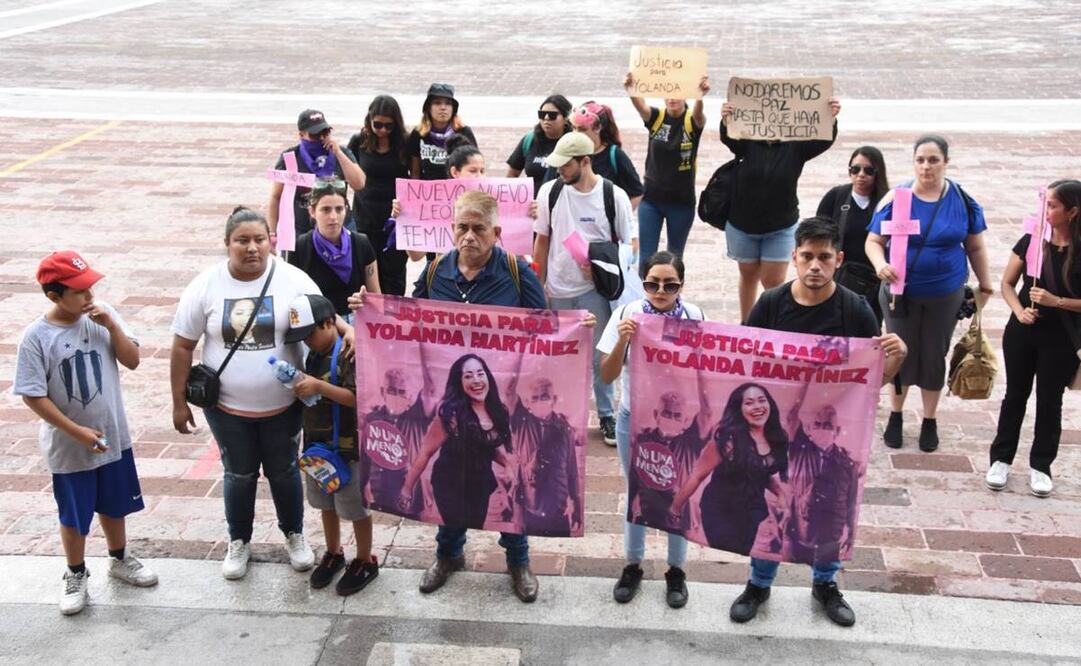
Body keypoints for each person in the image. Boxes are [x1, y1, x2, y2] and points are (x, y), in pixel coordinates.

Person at [349, 191, 552, 602]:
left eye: (479, 229)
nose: (469, 236)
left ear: (496, 232)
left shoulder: (517, 273)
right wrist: (371, 309)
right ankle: (448, 555)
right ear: (451, 229)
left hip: (500, 405)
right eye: (462, 227)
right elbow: (408, 317)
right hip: (452, 407)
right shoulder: (436, 270)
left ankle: (518, 561)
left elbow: (546, 328)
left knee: (507, 485)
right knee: (451, 478)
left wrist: (578, 328)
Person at [719, 216, 906, 627]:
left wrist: (896, 359)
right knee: (772, 510)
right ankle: (758, 583)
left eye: (824, 257)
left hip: (830, 440)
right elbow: (745, 367)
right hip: (778, 438)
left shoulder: (855, 310)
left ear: (839, 259)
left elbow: (870, 383)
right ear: (794, 257)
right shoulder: (771, 304)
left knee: (830, 511)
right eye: (807, 257)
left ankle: (826, 584)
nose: (815, 266)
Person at [170, 207, 354, 581]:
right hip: (226, 408)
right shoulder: (205, 285)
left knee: (284, 471)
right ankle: (239, 540)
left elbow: (325, 315)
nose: (252, 248)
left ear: (271, 241)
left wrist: (348, 330)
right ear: (227, 243)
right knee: (239, 474)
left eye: (259, 239)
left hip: (284, 406)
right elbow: (182, 346)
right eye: (242, 240)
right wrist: (178, 402)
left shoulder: (292, 279)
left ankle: (294, 534)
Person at [14, 251, 158, 616]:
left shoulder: (102, 316)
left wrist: (112, 326)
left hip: (112, 436)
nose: (90, 296)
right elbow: (33, 395)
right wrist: (76, 431)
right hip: (69, 448)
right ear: (54, 296)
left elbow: (132, 360)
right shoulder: (36, 337)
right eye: (79, 291)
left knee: (115, 504)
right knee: (74, 514)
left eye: (90, 287)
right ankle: (75, 572)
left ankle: (120, 557)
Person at [866, 135, 994, 452]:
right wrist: (881, 264)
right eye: (920, 160)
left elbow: (975, 246)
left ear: (946, 162)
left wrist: (985, 282)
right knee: (899, 351)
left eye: (933, 160)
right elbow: (873, 241)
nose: (926, 166)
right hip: (900, 293)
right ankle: (896, 414)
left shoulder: (961, 199)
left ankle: (929, 419)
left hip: (945, 293)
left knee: (935, 353)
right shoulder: (897, 198)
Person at [597, 251, 709, 608]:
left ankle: (676, 570)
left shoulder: (695, 317)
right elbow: (606, 375)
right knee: (637, 491)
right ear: (642, 283)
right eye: (652, 284)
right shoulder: (627, 314)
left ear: (681, 285)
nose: (660, 291)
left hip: (681, 427)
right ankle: (633, 565)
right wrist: (623, 341)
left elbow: (708, 370)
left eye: (670, 285)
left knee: (679, 493)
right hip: (635, 420)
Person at [534, 132, 636, 446]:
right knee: (560, 356)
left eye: (566, 165)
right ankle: (561, 415)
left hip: (597, 290)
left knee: (599, 355)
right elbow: (542, 240)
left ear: (585, 161)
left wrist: (602, 265)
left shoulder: (613, 195)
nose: (560, 171)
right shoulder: (550, 192)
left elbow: (629, 245)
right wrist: (539, 285)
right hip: (558, 289)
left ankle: (606, 414)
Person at [987, 179, 1081, 497]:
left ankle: (1041, 465)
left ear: (1072, 211)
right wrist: (1019, 311)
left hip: (1062, 337)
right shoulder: (1032, 240)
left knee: (1050, 400)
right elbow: (1007, 284)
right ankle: (1000, 459)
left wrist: (1058, 301)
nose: (1045, 211)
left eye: (1052, 206)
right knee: (1015, 395)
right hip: (1023, 331)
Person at [284, 294, 378, 596]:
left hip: (348, 449)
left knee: (355, 507)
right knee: (325, 503)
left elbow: (359, 397)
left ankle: (365, 559)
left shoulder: (348, 352)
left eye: (309, 334)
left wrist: (319, 387)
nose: (306, 342)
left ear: (328, 323)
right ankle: (333, 551)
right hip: (318, 447)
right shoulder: (313, 354)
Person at [720, 96, 842, 322]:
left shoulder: (796, 146)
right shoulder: (747, 141)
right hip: (742, 223)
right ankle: (747, 324)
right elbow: (728, 138)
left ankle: (773, 326)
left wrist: (830, 118)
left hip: (780, 225)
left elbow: (823, 140)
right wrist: (727, 119)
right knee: (748, 275)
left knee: (773, 281)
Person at [399, 353, 515, 530]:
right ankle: (449, 548)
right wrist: (407, 489)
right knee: (453, 532)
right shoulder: (451, 415)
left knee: (475, 526)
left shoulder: (498, 411)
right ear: (459, 382)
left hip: (480, 484)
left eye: (480, 373)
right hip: (450, 484)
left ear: (488, 377)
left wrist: (507, 465)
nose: (476, 380)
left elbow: (486, 446)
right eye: (468, 376)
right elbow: (425, 453)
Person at [624, 74, 709, 273]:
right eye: (668, 94)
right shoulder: (657, 117)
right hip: (651, 200)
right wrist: (631, 89)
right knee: (646, 258)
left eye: (677, 94)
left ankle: (672, 291)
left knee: (675, 257)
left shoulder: (691, 120)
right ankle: (646, 291)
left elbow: (699, 116)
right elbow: (640, 107)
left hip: (681, 202)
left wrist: (699, 95)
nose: (672, 99)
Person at [268, 109, 366, 246]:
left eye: (324, 133)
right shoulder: (291, 158)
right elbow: (276, 197)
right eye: (314, 135)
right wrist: (272, 232)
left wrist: (338, 153)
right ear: (301, 135)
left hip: (339, 225)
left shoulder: (341, 153)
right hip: (302, 229)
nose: (321, 138)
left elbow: (359, 183)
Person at [816, 146, 891, 324]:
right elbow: (816, 236)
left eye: (868, 170)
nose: (861, 175)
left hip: (874, 281)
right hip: (838, 278)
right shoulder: (836, 196)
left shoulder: (887, 201)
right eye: (855, 169)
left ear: (878, 172)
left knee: (868, 328)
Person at [288, 179, 381, 317]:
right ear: (312, 211)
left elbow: (376, 298)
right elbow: (292, 298)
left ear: (346, 210)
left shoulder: (361, 243)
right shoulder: (301, 247)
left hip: (356, 321)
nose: (333, 217)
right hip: (320, 324)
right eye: (325, 210)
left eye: (339, 209)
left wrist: (365, 301)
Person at [348, 95, 412, 295]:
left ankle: (394, 312)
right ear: (369, 120)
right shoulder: (358, 141)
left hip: (395, 219)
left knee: (394, 274)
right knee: (366, 270)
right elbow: (346, 173)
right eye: (378, 124)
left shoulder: (405, 143)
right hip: (365, 217)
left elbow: (416, 178)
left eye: (389, 126)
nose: (383, 130)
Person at [784, 404, 861, 570]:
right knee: (789, 571)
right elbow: (792, 417)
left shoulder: (847, 464)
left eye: (827, 426)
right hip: (799, 534)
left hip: (830, 536)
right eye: (817, 425)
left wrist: (851, 532)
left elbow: (851, 502)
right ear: (809, 429)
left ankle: (824, 581)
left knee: (826, 571)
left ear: (837, 431)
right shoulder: (799, 452)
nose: (822, 430)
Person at [507, 375, 583, 537]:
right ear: (527, 402)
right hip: (528, 508)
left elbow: (571, 470)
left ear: (553, 399)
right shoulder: (521, 422)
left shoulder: (564, 428)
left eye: (545, 397)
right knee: (522, 544)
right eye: (535, 398)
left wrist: (576, 504)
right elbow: (509, 391)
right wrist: (518, 362)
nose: (540, 401)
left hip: (557, 508)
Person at [361, 367, 437, 517]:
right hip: (378, 492)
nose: (396, 396)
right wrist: (364, 484)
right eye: (391, 390)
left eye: (402, 392)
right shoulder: (372, 418)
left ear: (410, 395)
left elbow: (431, 386)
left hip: (409, 496)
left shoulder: (417, 417)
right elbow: (366, 456)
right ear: (383, 392)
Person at [407, 83, 477, 180]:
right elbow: (415, 172)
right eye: (437, 103)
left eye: (448, 103)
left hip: (457, 187)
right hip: (427, 188)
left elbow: (474, 166)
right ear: (428, 108)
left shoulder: (464, 132)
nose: (443, 108)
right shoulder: (418, 133)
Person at [506, 94, 573, 195]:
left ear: (565, 118)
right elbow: (512, 175)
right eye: (542, 114)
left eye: (552, 115)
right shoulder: (530, 139)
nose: (546, 118)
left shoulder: (573, 142)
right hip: (532, 202)